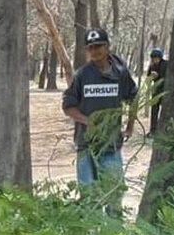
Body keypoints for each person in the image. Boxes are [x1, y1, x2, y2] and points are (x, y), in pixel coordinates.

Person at [63, 28, 138, 200]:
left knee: (113, 197)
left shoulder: (120, 72)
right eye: (90, 48)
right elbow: (68, 106)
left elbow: (133, 98)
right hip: (86, 146)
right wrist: (87, 121)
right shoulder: (82, 75)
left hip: (111, 145)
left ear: (107, 47)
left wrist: (130, 127)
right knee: (89, 198)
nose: (94, 51)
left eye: (98, 46)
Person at [147, 48, 168, 134]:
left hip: (164, 90)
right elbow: (148, 77)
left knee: (165, 111)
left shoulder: (165, 64)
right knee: (154, 111)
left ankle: (163, 130)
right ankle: (153, 130)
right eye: (153, 58)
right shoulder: (152, 66)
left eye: (156, 58)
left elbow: (164, 77)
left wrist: (157, 76)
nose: (155, 60)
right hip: (156, 91)